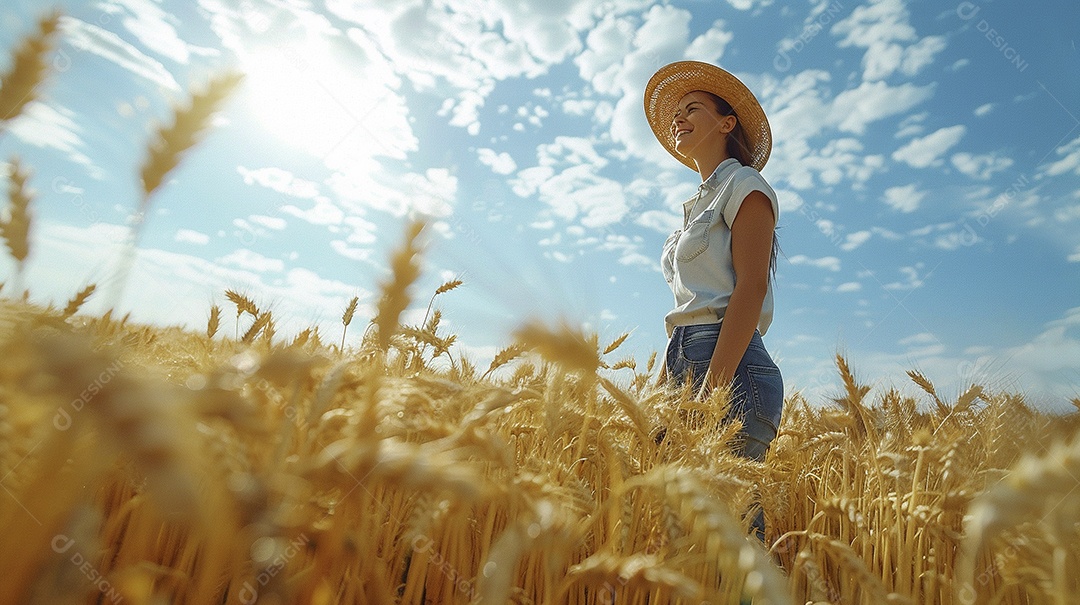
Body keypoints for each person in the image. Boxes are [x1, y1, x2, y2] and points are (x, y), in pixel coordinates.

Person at [644, 61, 784, 536]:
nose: (677, 119)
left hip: (732, 366)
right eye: (675, 113)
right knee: (684, 533)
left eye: (692, 109)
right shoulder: (691, 211)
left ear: (727, 124)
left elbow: (751, 288)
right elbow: (684, 312)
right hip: (683, 361)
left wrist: (712, 393)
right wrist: (656, 393)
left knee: (734, 530)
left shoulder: (745, 187)